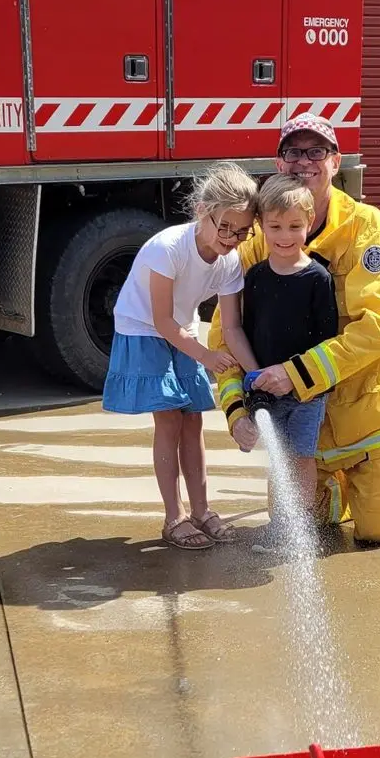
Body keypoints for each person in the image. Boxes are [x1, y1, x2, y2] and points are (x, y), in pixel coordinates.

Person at [208, 113, 380, 544]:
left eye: (317, 152)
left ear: (335, 162)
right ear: (278, 163)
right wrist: (237, 410)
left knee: (379, 529)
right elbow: (224, 334)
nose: (304, 162)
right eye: (293, 152)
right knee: (297, 524)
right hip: (303, 423)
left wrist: (292, 374)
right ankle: (339, 488)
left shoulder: (367, 229)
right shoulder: (258, 239)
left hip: (369, 413)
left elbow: (377, 328)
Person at [103, 161, 258, 551]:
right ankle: (173, 518)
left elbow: (234, 328)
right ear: (201, 211)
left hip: (181, 329)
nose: (232, 238)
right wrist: (205, 356)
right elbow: (161, 320)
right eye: (225, 227)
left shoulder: (230, 260)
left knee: (193, 421)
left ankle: (202, 510)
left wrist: (256, 374)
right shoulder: (168, 248)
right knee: (170, 420)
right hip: (143, 329)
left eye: (242, 231)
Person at [219, 173, 338, 520]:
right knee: (278, 455)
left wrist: (303, 380)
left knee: (301, 456)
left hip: (307, 392)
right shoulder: (254, 277)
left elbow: (326, 340)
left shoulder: (318, 278)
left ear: (309, 223)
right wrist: (253, 380)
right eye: (275, 227)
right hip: (266, 388)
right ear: (260, 226)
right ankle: (281, 522)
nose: (285, 237)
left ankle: (299, 524)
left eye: (294, 226)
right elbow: (244, 330)